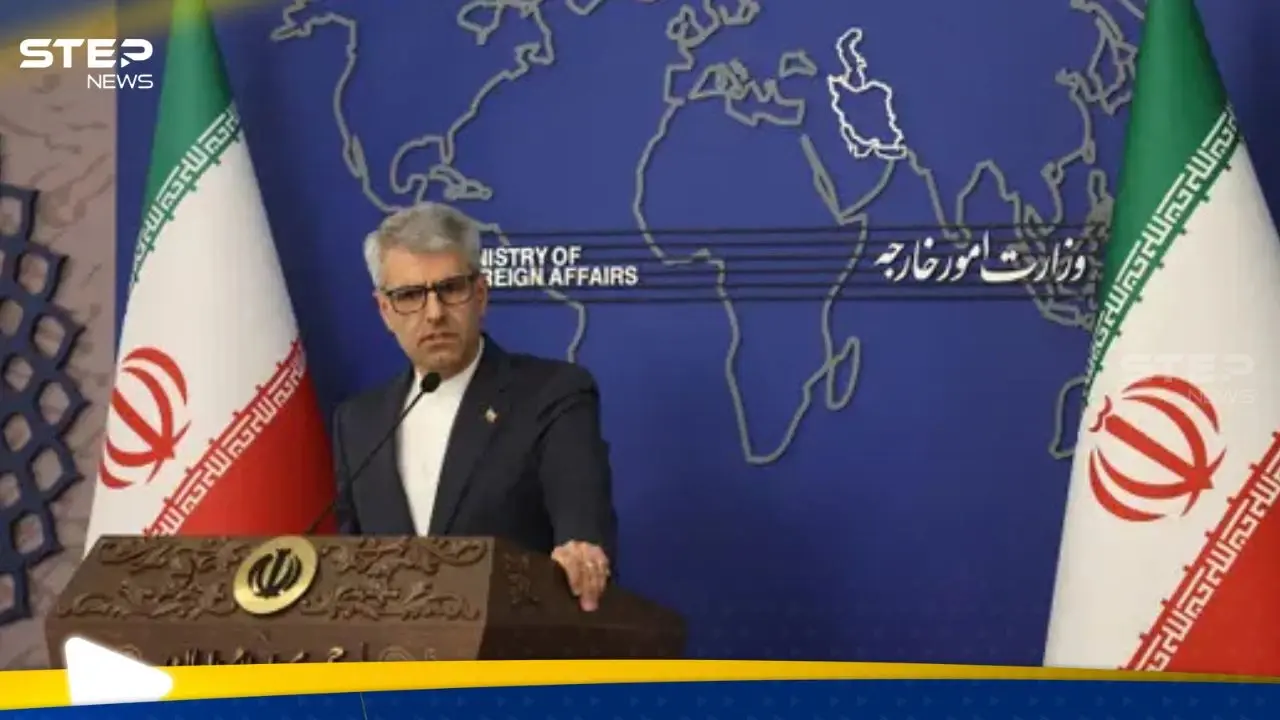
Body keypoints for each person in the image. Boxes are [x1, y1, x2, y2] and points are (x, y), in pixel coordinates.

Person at [329, 202, 618, 611]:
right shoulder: (359, 422)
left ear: (480, 295)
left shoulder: (552, 395)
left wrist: (581, 550)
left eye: (450, 289)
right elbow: (353, 563)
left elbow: (579, 512)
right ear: (385, 311)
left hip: (516, 640)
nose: (434, 314)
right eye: (410, 295)